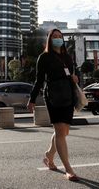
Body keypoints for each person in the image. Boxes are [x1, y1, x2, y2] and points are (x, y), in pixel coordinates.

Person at [27, 29, 79, 182]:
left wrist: (75, 79)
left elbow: (72, 75)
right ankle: (68, 169)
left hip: (68, 95)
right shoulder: (44, 57)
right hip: (54, 96)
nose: (57, 39)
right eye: (54, 37)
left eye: (59, 36)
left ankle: (49, 155)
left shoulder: (68, 57)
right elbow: (39, 80)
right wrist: (32, 99)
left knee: (64, 131)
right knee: (60, 131)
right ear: (50, 40)